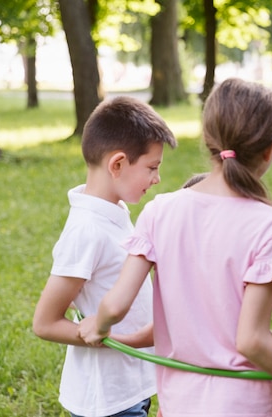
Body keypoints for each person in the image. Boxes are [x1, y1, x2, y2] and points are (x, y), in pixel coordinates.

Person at [78, 78, 272, 417]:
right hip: (250, 408)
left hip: (179, 406)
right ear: (269, 150)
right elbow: (251, 340)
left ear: (208, 139)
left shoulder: (158, 211)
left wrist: (99, 326)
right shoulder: (269, 225)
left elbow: (116, 304)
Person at [32, 96, 178, 417]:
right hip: (107, 398)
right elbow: (45, 322)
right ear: (118, 164)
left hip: (132, 382)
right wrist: (104, 335)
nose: (157, 179)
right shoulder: (87, 229)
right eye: (152, 168)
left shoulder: (114, 210)